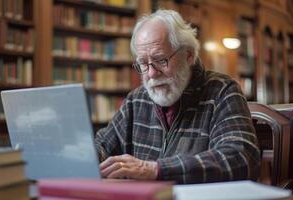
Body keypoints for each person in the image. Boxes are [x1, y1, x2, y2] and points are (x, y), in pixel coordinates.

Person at [95, 9, 260, 184]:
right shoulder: (136, 100)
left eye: (160, 60)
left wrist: (154, 170)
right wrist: (80, 156)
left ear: (188, 55)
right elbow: (103, 145)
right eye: (143, 63)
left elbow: (240, 157)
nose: (151, 73)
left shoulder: (222, 91)